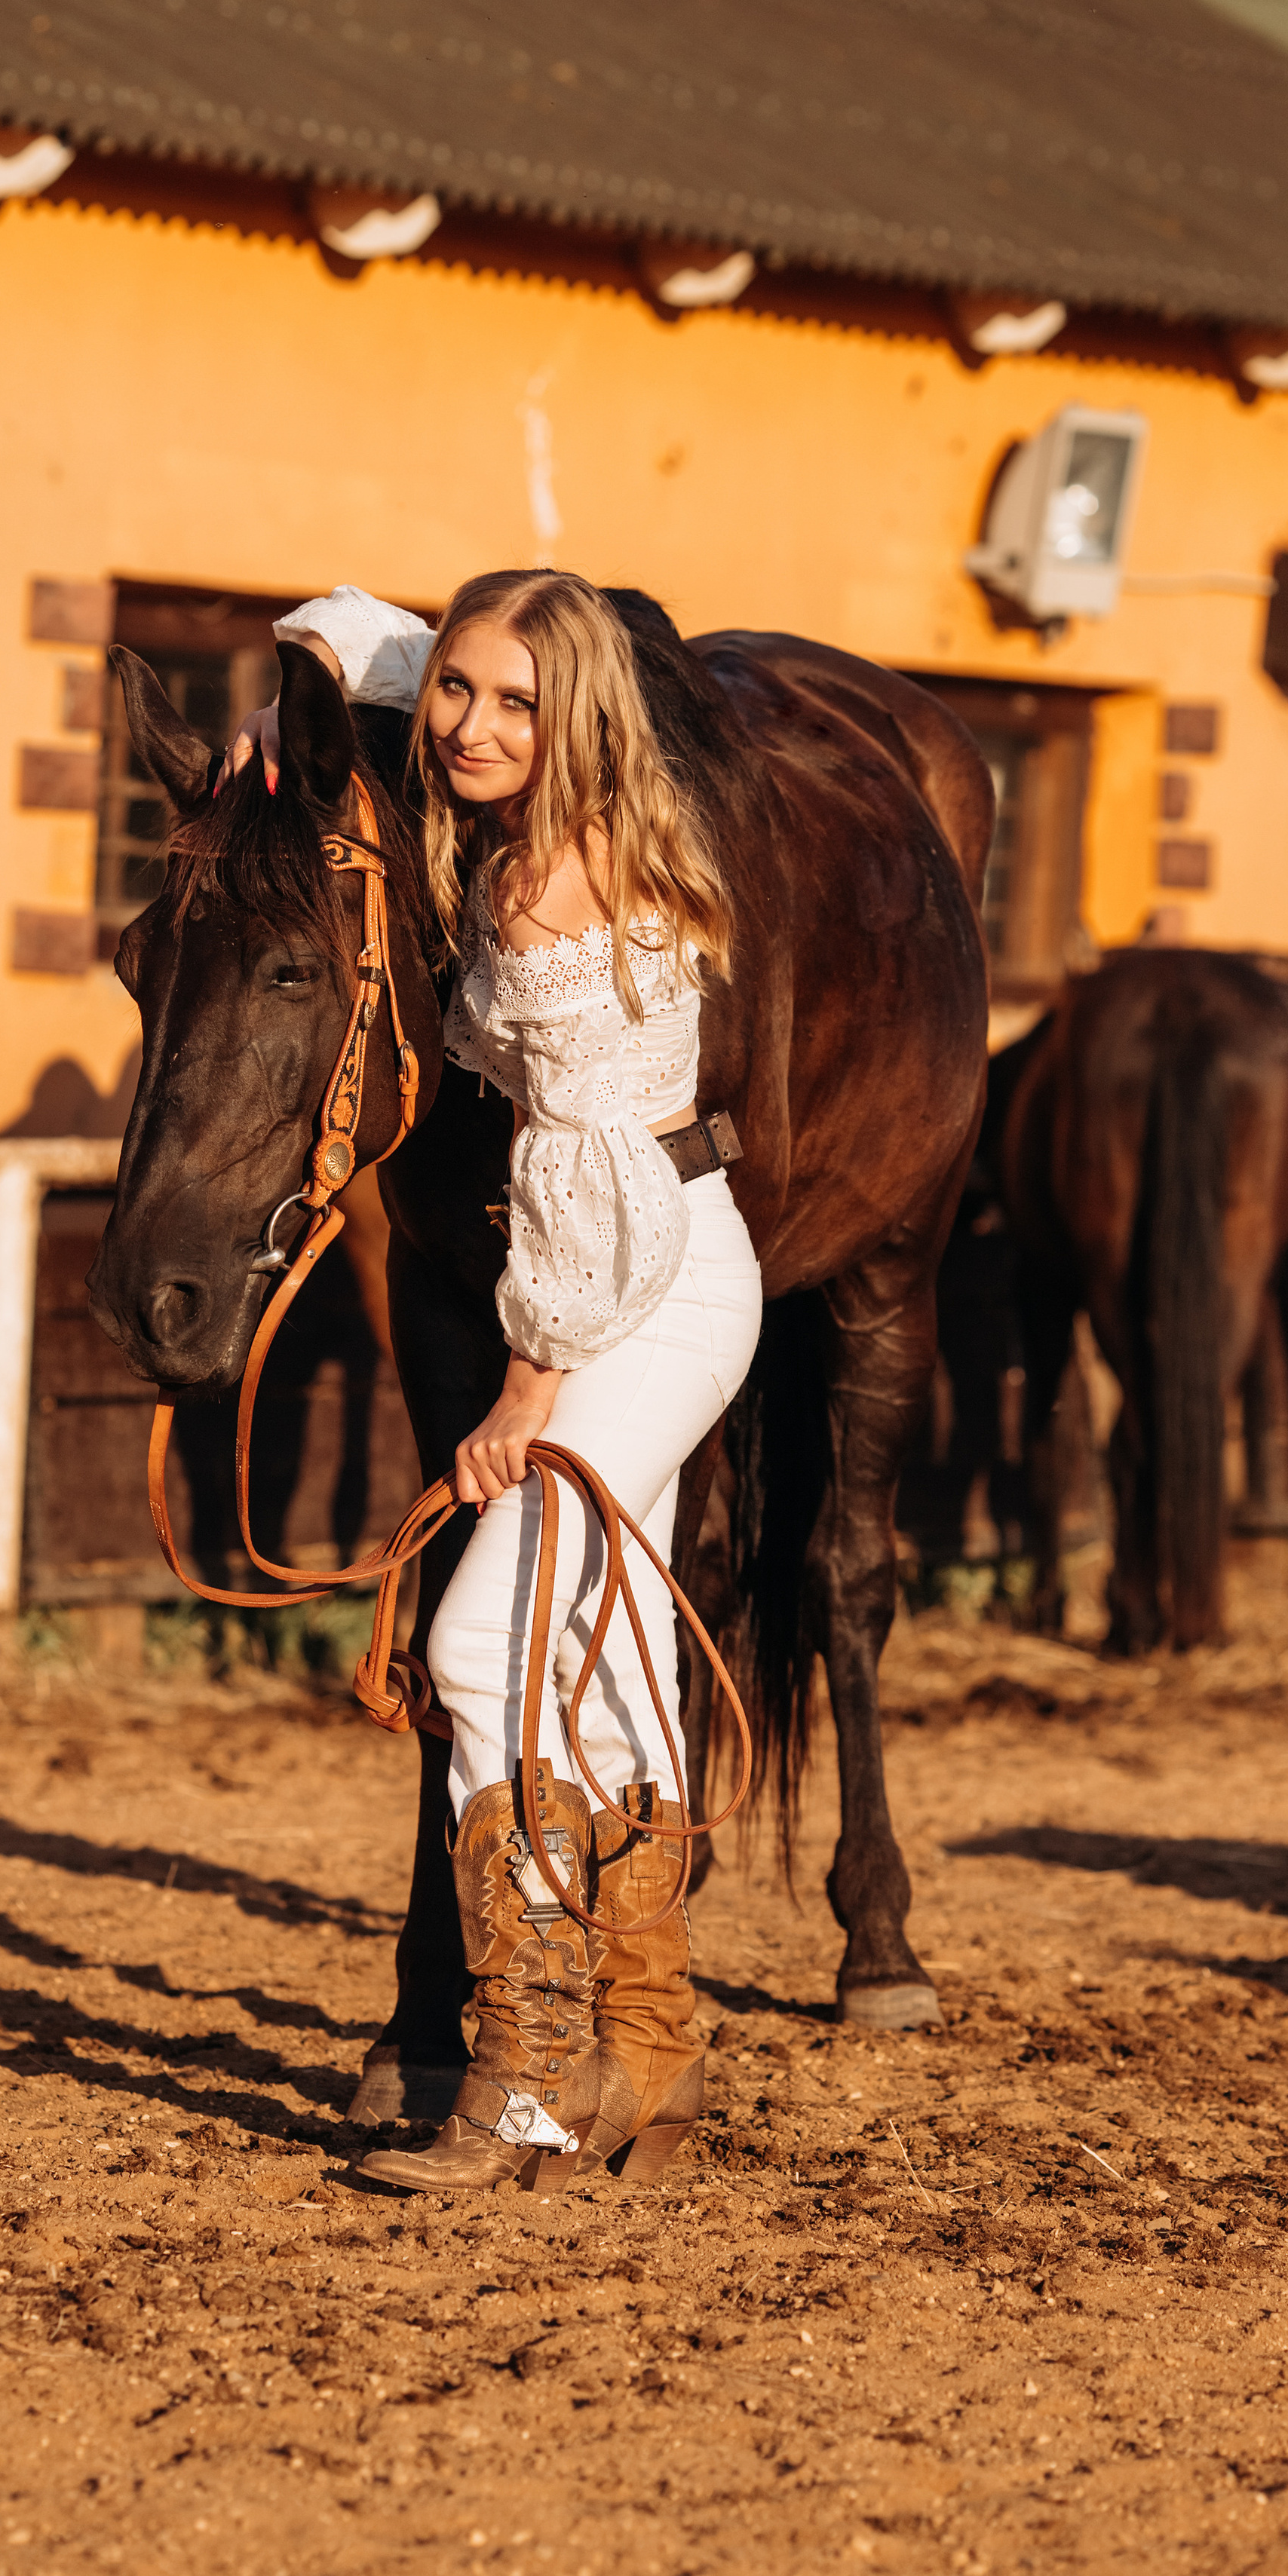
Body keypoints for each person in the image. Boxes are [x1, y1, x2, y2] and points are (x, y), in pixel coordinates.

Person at [229, 574, 763, 2191]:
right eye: (455, 688)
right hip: (671, 1252)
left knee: (478, 1646)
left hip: (634, 1280)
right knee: (604, 1660)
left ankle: (522, 2082)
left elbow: (582, 1175)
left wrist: (526, 1385)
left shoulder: (550, 880)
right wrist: (274, 717)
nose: (466, 726)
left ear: (576, 715)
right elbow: (353, 626)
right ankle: (650, 2058)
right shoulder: (543, 819)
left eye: (515, 704)